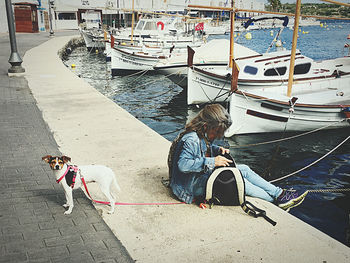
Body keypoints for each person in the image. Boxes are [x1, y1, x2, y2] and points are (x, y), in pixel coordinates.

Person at [168, 104, 307, 211]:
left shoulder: (202, 133)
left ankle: (280, 194)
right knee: (238, 182)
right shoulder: (191, 139)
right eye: (216, 132)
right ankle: (275, 202)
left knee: (244, 170)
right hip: (188, 188)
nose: (217, 136)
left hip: (195, 178)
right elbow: (183, 164)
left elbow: (201, 151)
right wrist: (212, 161)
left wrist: (216, 150)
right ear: (206, 126)